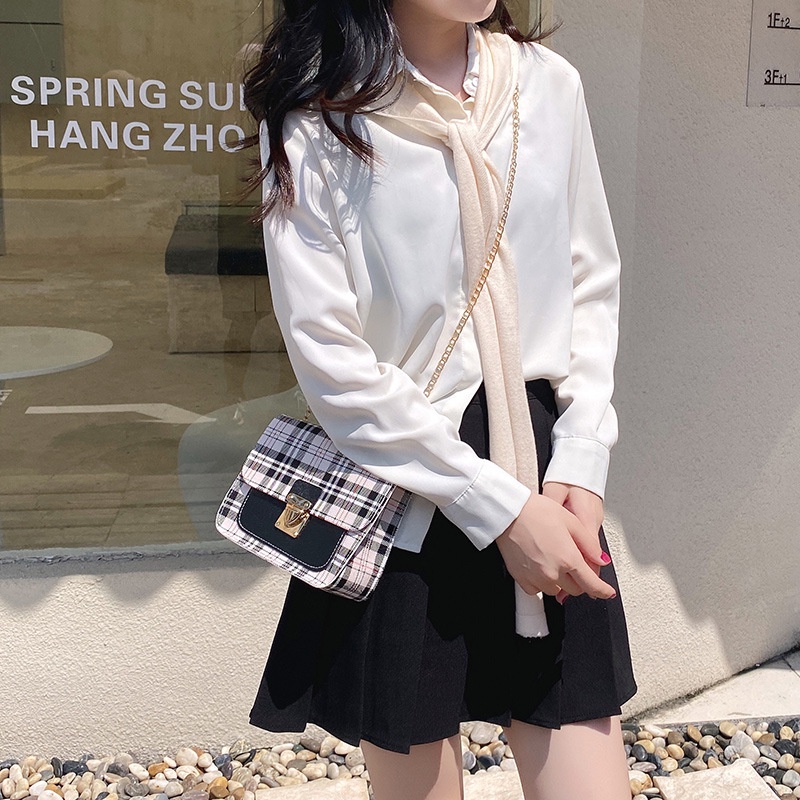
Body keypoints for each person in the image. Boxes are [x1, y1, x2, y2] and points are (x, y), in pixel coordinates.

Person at [237, 1, 639, 798]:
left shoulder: (546, 85)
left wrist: (583, 455)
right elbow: (332, 362)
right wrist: (500, 511)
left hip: (542, 464)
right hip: (409, 478)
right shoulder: (318, 113)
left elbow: (590, 279)